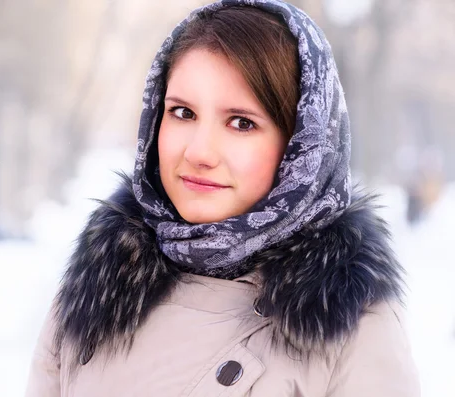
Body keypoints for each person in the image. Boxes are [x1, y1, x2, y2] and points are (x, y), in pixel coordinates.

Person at [25, 1, 420, 395]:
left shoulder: (351, 326)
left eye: (242, 123)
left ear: (302, 144)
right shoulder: (98, 287)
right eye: (182, 113)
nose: (199, 152)